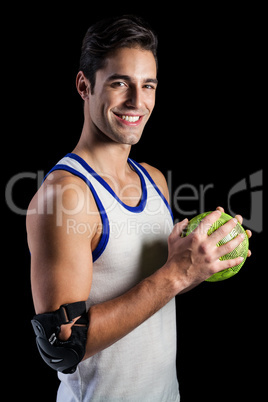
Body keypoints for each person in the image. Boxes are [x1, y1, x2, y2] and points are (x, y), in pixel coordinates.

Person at [27, 15, 251, 401]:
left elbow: (152, 287)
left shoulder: (153, 179)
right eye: (119, 83)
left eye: (147, 85)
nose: (137, 101)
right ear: (84, 86)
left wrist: (203, 263)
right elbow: (61, 345)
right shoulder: (65, 196)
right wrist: (177, 274)